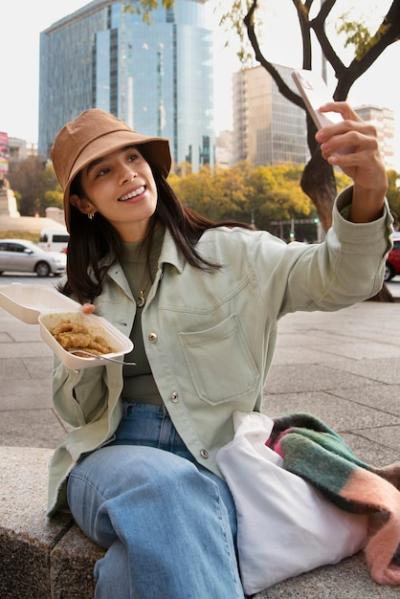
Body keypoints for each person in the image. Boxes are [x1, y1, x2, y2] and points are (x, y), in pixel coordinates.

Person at [49, 105, 392, 599]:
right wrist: (80, 358)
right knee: (166, 489)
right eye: (104, 171)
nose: (128, 174)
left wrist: (369, 190)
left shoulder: (235, 255)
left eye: (133, 158)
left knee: (138, 563)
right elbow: (75, 413)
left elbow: (343, 278)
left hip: (215, 463)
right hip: (111, 459)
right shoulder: (82, 292)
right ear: (84, 203)